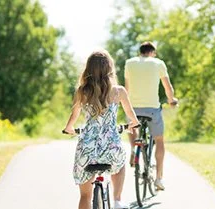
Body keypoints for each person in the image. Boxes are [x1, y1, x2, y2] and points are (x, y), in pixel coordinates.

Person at [63, 50, 140, 209]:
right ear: (109, 68)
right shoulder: (119, 91)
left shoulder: (82, 91)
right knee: (119, 165)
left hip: (87, 151)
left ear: (88, 69)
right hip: (111, 148)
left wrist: (69, 128)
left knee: (85, 196)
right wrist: (133, 124)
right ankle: (117, 200)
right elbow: (132, 117)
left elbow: (74, 116)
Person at [124, 42, 178, 191]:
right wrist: (171, 100)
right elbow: (168, 87)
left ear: (140, 52)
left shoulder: (129, 63)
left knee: (131, 125)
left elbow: (126, 89)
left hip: (133, 109)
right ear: (152, 52)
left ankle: (134, 149)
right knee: (159, 139)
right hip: (152, 109)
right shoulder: (158, 63)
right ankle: (159, 178)